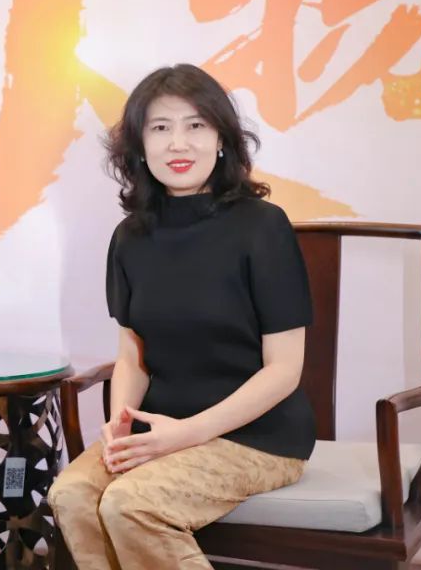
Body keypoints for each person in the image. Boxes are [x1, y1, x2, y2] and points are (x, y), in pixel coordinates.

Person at [48, 64, 315, 569]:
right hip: (159, 430)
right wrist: (121, 424)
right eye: (160, 127)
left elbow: (285, 369)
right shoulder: (130, 237)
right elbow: (133, 354)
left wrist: (186, 433)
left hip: (258, 437)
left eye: (196, 125)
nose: (178, 143)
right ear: (139, 146)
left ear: (222, 139)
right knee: (72, 494)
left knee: (132, 504)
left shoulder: (263, 227)